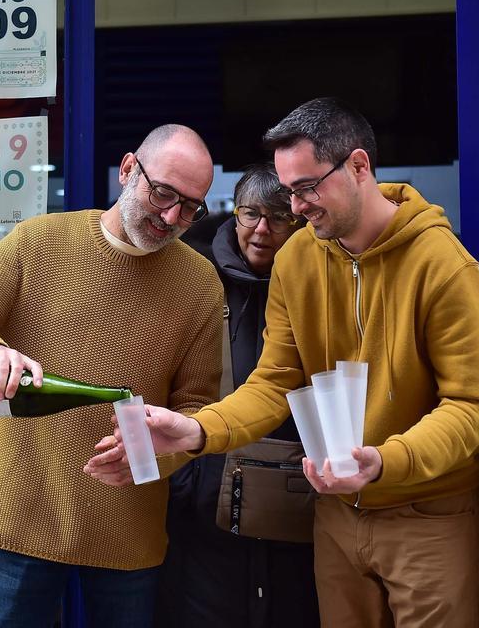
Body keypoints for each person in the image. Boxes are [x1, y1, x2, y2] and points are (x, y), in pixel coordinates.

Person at [87, 99, 479, 628]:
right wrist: (195, 430)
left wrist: (384, 462)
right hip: (334, 515)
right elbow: (274, 381)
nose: (296, 207)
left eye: (306, 188)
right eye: (288, 192)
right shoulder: (299, 259)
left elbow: (470, 408)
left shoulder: (443, 264)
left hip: (427, 513)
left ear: (357, 166)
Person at [0, 124, 224, 628]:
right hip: (24, 512)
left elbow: (195, 411)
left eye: (190, 206)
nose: (172, 217)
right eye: (163, 192)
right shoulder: (40, 241)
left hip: (130, 525)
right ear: (129, 169)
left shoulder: (200, 285)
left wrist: (156, 456)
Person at [155, 163, 319, 628]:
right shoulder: (192, 275)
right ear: (233, 214)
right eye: (250, 214)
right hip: (205, 486)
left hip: (299, 484)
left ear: (301, 220)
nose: (262, 230)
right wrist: (189, 479)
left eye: (278, 217)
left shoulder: (320, 278)